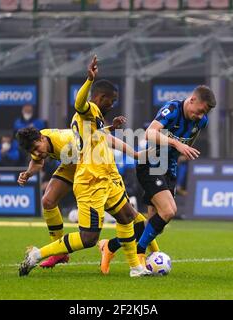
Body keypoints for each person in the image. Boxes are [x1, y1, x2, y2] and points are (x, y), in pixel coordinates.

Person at [18, 55, 151, 277]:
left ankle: (136, 268)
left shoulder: (94, 117)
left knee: (128, 217)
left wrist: (112, 130)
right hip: (90, 177)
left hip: (104, 175)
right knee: (89, 238)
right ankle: (38, 254)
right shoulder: (88, 109)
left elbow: (96, 137)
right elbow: (79, 103)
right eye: (111, 100)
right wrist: (89, 80)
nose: (113, 104)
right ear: (100, 97)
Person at [16, 126, 159, 273]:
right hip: (76, 168)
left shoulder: (66, 140)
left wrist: (135, 154)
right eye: (32, 151)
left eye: (36, 148)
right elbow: (38, 162)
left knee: (128, 216)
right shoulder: (40, 140)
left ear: (41, 138)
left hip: (99, 172)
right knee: (48, 201)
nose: (36, 152)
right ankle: (59, 252)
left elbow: (106, 138)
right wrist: (28, 173)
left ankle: (153, 253)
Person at [133, 85, 216, 267]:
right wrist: (176, 144)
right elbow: (150, 133)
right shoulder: (172, 109)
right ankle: (138, 253)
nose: (201, 116)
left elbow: (189, 142)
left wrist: (183, 151)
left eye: (205, 113)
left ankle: (110, 245)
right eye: (200, 111)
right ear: (192, 100)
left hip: (168, 168)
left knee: (156, 223)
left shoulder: (201, 122)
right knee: (169, 211)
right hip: (151, 163)